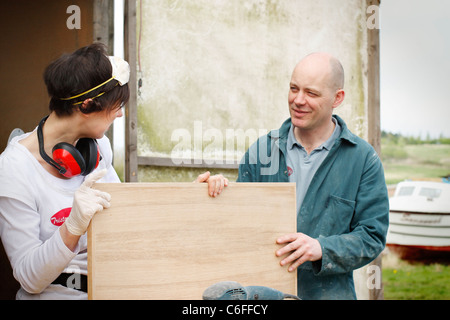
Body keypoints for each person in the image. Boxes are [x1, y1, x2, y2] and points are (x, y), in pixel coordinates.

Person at [0, 43, 226, 300]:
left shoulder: (96, 147)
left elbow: (127, 221)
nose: (120, 114)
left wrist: (181, 200)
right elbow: (30, 279)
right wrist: (72, 226)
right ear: (86, 106)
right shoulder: (14, 170)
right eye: (116, 106)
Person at [237, 52, 389, 299]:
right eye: (293, 88)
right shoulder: (262, 150)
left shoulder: (362, 160)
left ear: (337, 98)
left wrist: (322, 247)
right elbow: (236, 222)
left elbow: (372, 236)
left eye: (311, 93)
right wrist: (211, 195)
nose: (298, 100)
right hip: (263, 295)